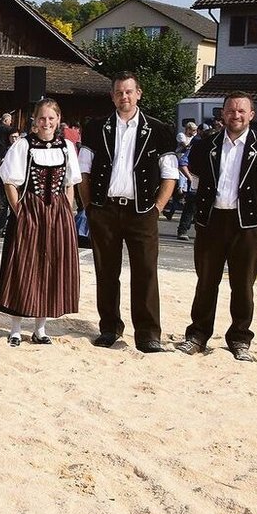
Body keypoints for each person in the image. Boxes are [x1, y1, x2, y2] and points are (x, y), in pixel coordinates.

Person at [175, 93, 257, 362]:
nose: (236, 115)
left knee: (243, 284)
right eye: (231, 110)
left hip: (248, 226)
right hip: (212, 222)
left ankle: (239, 338)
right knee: (206, 282)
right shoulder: (205, 146)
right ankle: (198, 335)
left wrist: (256, 215)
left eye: (241, 111)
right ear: (222, 114)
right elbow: (197, 182)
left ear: (251, 115)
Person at [78, 72, 178, 353]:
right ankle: (109, 328)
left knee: (146, 272)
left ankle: (148, 334)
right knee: (106, 272)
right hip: (104, 210)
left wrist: (157, 209)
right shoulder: (96, 128)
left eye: (129, 91)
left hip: (142, 211)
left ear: (139, 94)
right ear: (112, 96)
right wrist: (89, 207)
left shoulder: (159, 129)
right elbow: (83, 171)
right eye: (119, 92)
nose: (124, 96)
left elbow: (170, 175)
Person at [0, 99, 81, 345]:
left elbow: (70, 184)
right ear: (35, 120)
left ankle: (40, 329)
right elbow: (9, 181)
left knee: (51, 268)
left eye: (51, 118)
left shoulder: (66, 147)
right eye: (42, 118)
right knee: (23, 265)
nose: (46, 123)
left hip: (58, 213)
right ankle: (15, 328)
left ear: (58, 119)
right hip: (30, 210)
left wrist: (67, 211)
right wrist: (20, 211)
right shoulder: (24, 145)